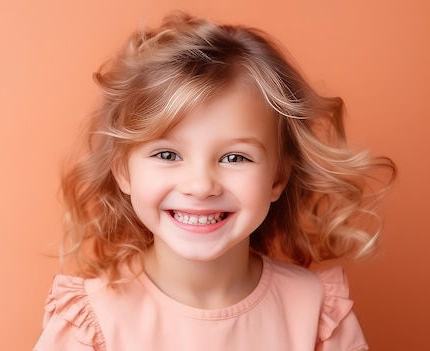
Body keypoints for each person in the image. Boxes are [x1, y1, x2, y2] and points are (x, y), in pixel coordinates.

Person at [34, 12, 396, 351]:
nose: (201, 185)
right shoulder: (91, 324)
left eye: (234, 158)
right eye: (167, 155)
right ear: (123, 172)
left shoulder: (318, 314)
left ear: (278, 177)